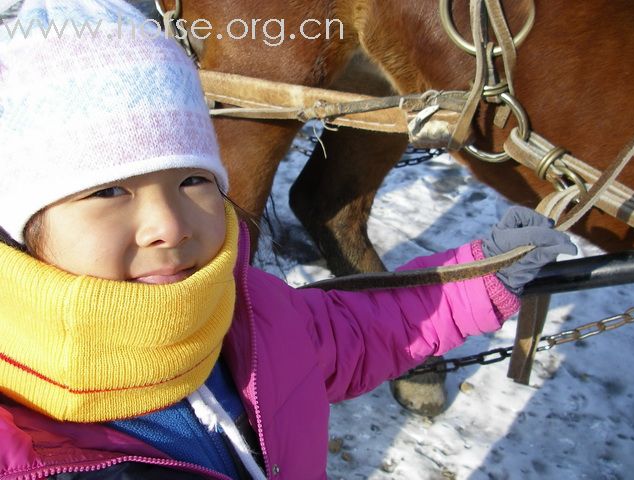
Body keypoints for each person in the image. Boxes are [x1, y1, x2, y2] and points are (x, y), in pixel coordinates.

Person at [0, 1, 577, 479]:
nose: (170, 225)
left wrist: (482, 276)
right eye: (107, 191)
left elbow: (356, 331)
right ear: (20, 224)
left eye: (195, 178)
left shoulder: (251, 319)